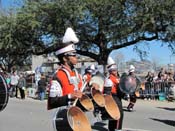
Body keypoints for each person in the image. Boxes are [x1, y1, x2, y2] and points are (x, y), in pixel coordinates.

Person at [47, 27, 83, 110]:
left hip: (78, 115)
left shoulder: (77, 74)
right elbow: (53, 101)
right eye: (72, 55)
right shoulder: (58, 75)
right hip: (64, 116)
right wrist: (70, 96)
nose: (75, 57)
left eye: (75, 55)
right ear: (65, 58)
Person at [103, 56, 124, 131]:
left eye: (116, 70)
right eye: (114, 70)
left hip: (116, 97)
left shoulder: (114, 78)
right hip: (114, 97)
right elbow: (108, 92)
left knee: (113, 114)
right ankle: (117, 128)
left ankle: (111, 129)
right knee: (119, 114)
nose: (116, 71)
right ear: (111, 71)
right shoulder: (111, 79)